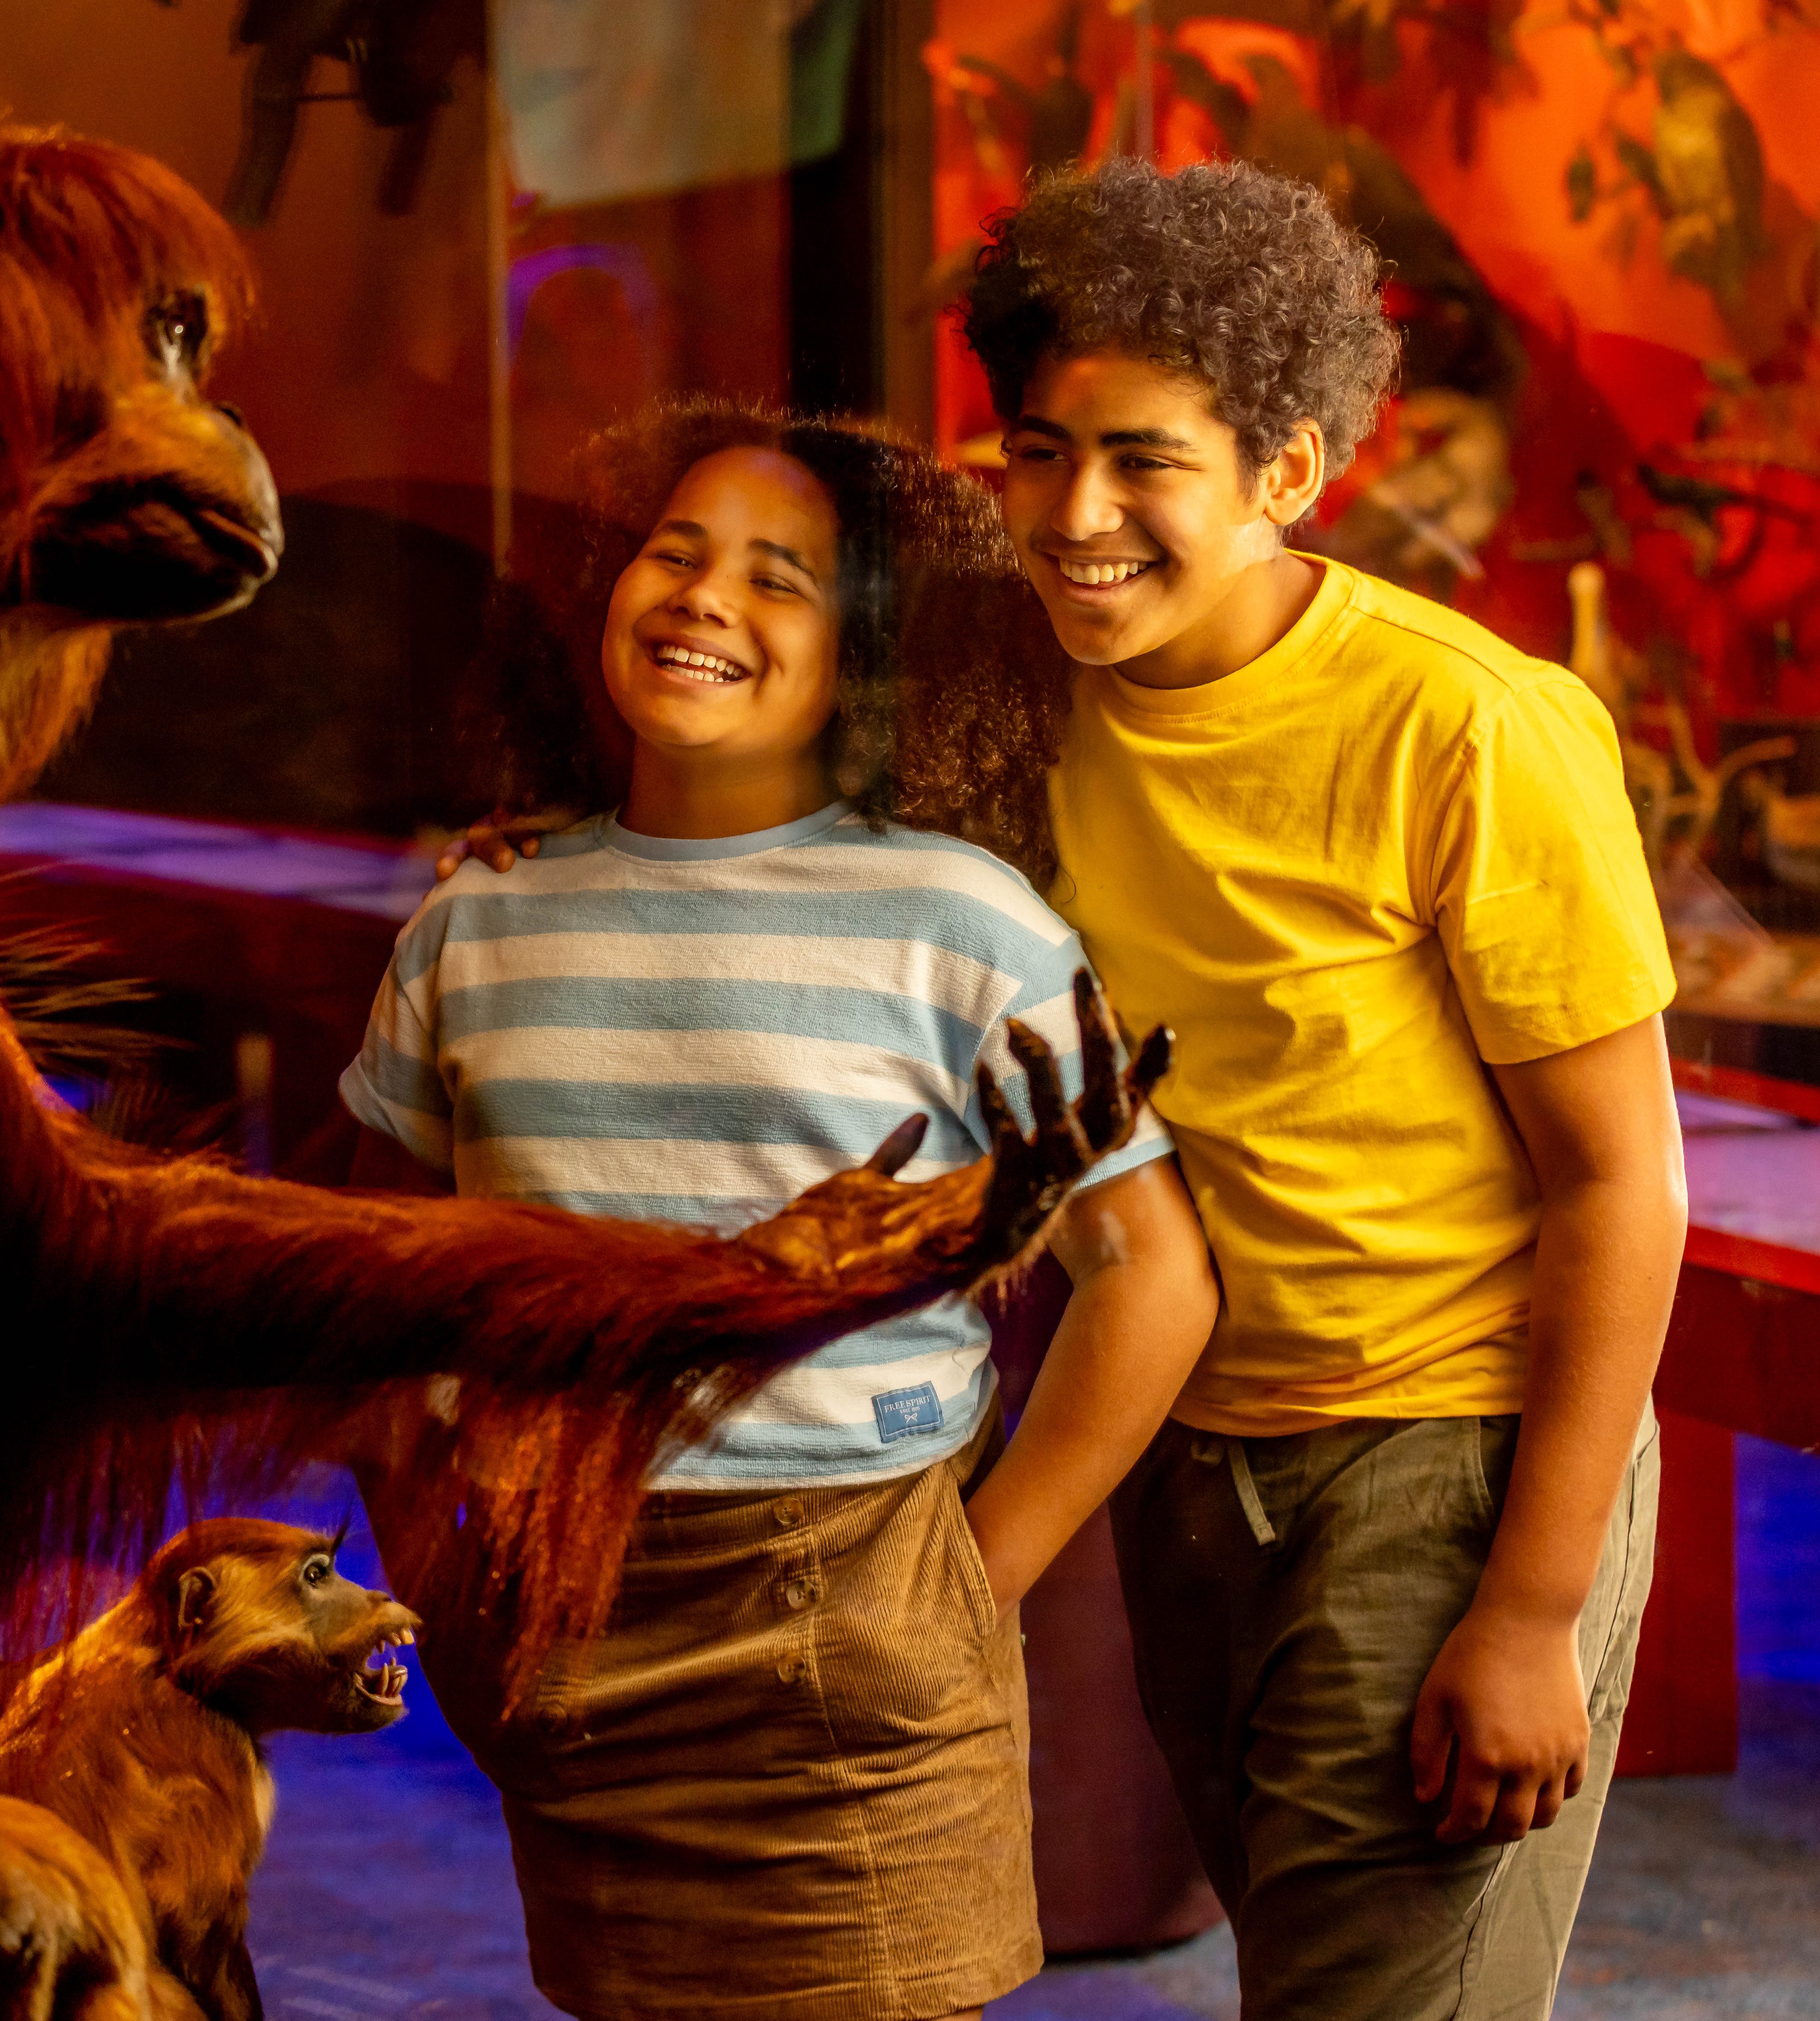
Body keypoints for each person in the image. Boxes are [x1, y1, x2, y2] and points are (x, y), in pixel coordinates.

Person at [345, 398, 1217, 2021]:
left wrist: (976, 1574)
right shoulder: (481, 915)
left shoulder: (960, 921)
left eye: (778, 578)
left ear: (868, 658)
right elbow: (387, 1278)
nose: (701, 599)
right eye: (673, 554)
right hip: (567, 1606)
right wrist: (428, 1563)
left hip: (858, 1599)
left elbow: (1150, 1275)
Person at [962, 159, 1685, 2018]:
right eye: (1037, 452)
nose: (1075, 514)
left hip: (1444, 1462)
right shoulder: (1017, 697)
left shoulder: (1465, 723)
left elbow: (1620, 1182)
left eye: (1142, 462)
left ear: (1288, 470)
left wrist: (1528, 1609)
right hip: (1194, 1462)